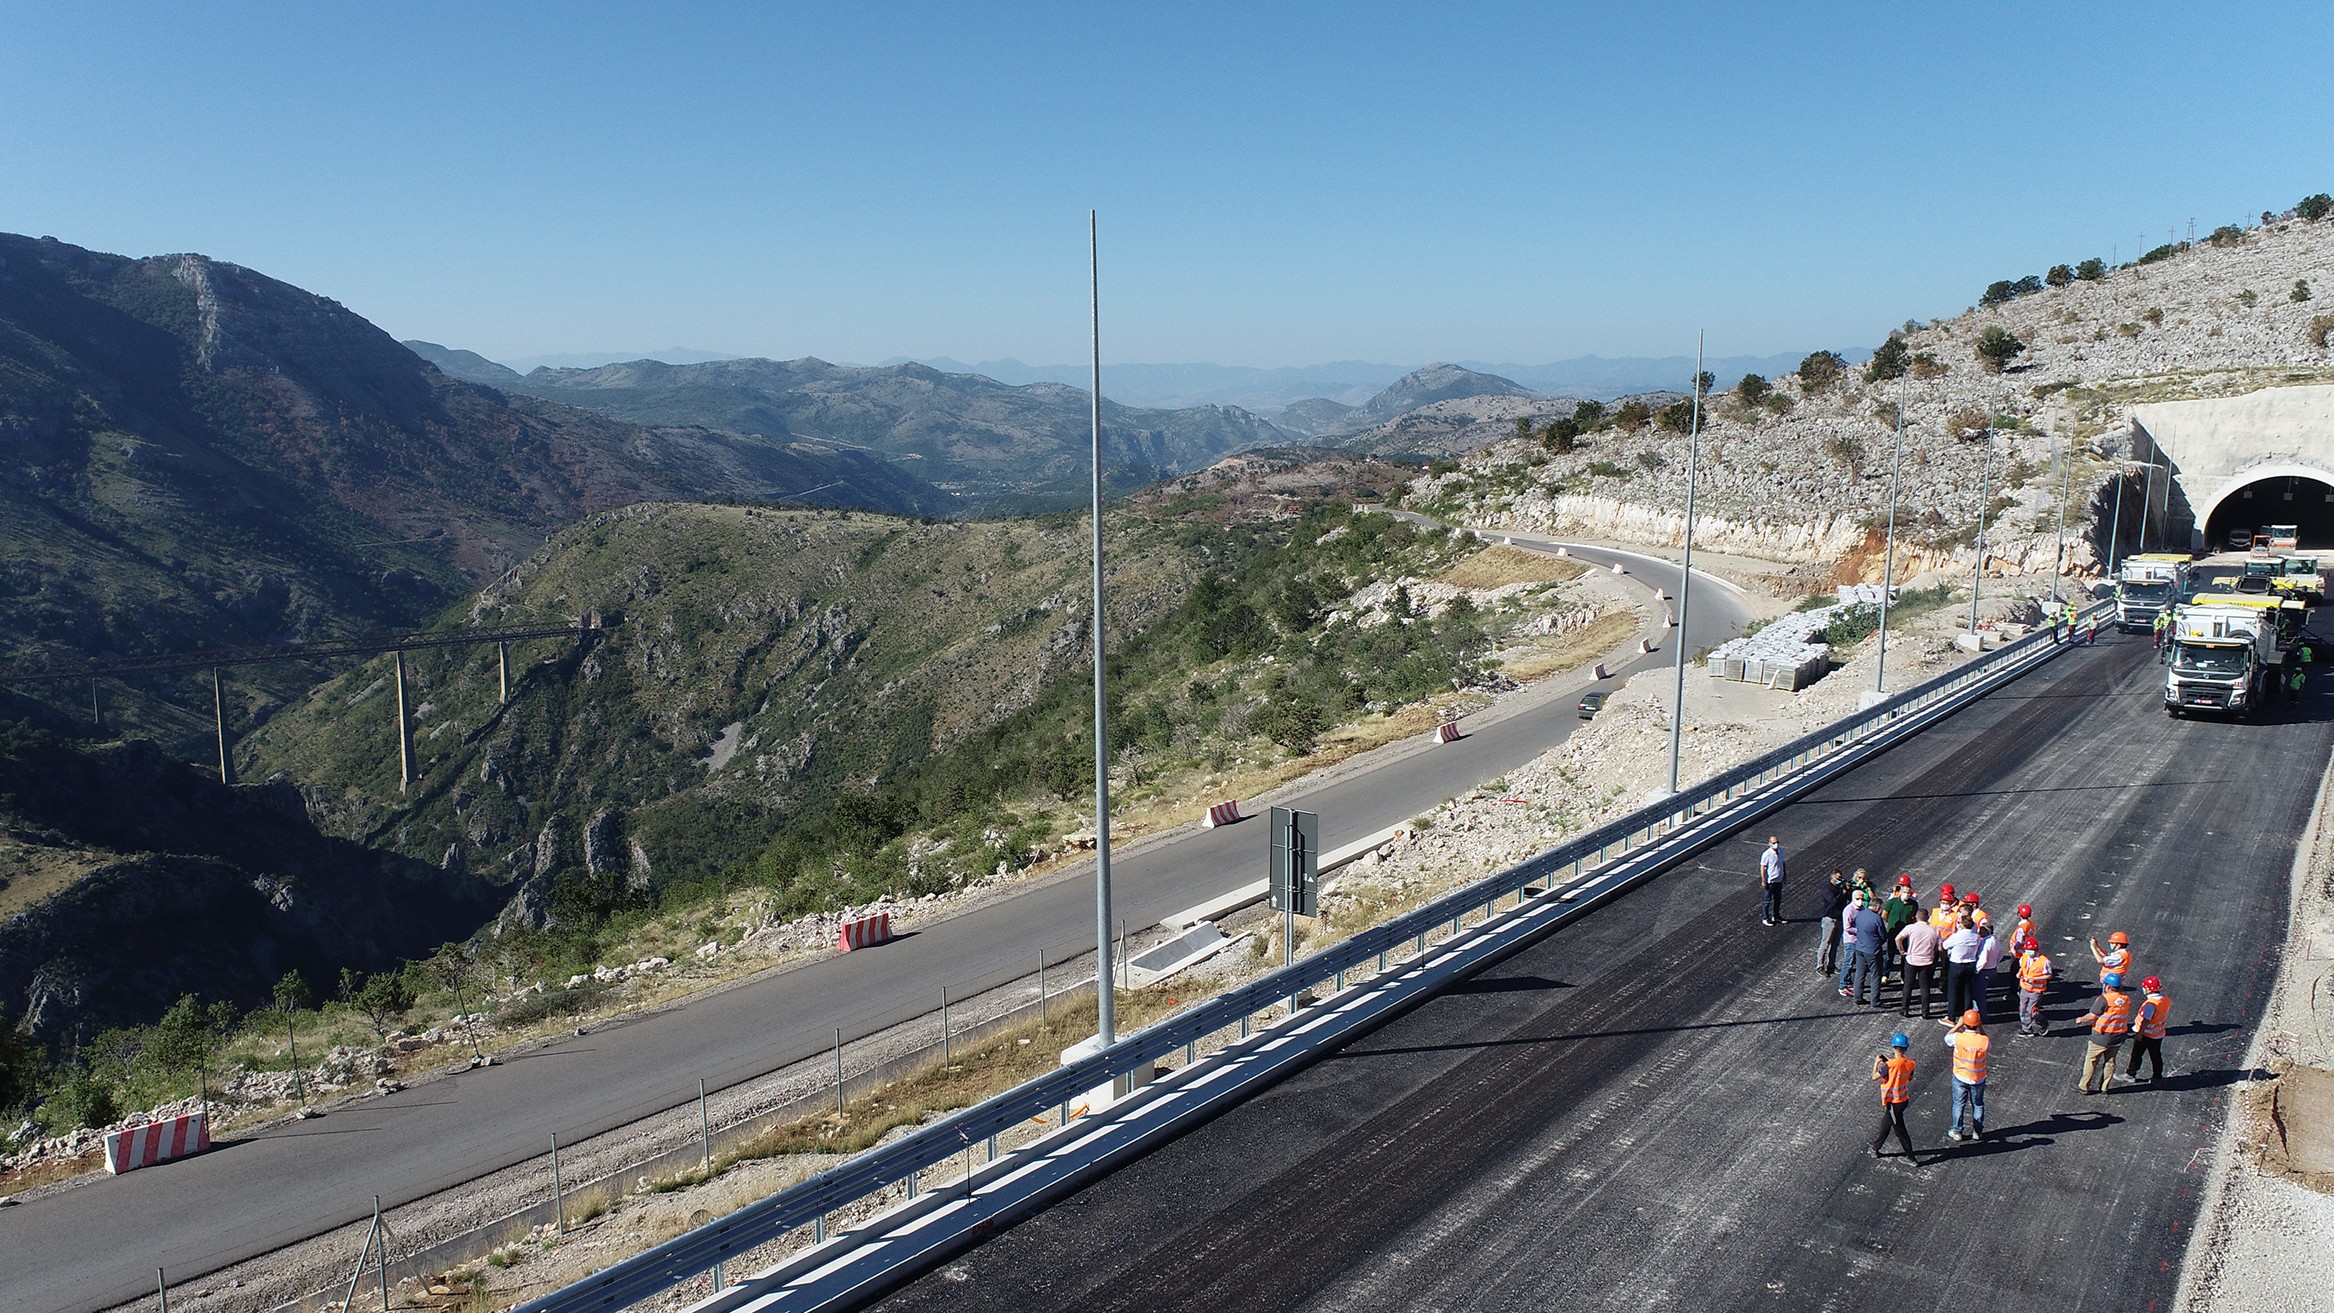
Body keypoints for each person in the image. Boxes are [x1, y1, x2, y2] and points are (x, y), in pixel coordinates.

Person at [2076, 972, 2136, 1095]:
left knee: (2091, 1060)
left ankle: (2084, 1086)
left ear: (2107, 986)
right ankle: (2104, 1087)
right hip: (2118, 1036)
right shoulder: (2126, 999)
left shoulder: (2104, 999)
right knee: (2110, 1061)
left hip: (2102, 1036)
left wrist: (2080, 1019)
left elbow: (2092, 1015)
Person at [1870, 1032, 1919, 1162]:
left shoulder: (1889, 1065)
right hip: (1903, 1099)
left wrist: (1876, 1063)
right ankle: (1875, 1148)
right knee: (1886, 1125)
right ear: (1906, 1048)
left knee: (1899, 1130)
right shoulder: (1911, 1063)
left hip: (1893, 1102)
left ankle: (1911, 1157)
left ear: (1893, 1047)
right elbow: (1909, 1076)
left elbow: (1874, 1077)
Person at [1944, 1010, 1990, 1141]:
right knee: (1978, 1104)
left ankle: (1957, 1130)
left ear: (1965, 1022)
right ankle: (1977, 1132)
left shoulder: (1958, 1037)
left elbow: (1947, 1037)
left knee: (1959, 1104)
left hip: (1960, 1076)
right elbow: (1989, 1045)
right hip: (1978, 1078)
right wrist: (1981, 1027)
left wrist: (1958, 1025)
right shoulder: (1983, 1040)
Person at [1896, 911, 1942, 1020]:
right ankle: (1925, 1012)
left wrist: (1902, 951)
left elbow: (1898, 939)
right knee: (1925, 987)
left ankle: (1905, 1009)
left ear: (1916, 917)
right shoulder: (1934, 930)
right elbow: (1939, 947)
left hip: (1912, 960)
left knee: (1908, 985)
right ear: (1928, 918)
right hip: (1927, 961)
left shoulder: (1910, 928)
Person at [1940, 912, 1983, 1025]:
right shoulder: (1976, 936)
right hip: (1970, 964)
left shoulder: (1958, 936)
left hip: (1956, 964)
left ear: (1962, 925)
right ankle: (1967, 1015)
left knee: (1953, 991)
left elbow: (1945, 945)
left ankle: (1951, 1017)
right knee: (1967, 990)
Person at [2127, 977, 2172, 1082]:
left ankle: (2130, 1074)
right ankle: (2157, 1077)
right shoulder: (2165, 999)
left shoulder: (2150, 1004)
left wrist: (2139, 1033)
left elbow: (2145, 1020)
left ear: (2148, 989)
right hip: (2158, 1034)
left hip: (2146, 1034)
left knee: (2136, 1054)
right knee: (2156, 1056)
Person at [1846, 895, 1888, 1007]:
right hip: (1873, 950)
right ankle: (1875, 1001)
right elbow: (1883, 935)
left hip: (1860, 948)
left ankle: (1857, 997)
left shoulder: (1860, 915)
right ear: (1878, 907)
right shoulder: (1876, 919)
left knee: (1860, 973)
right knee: (1876, 975)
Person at [1881, 876, 1920, 989]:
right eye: (1904, 892)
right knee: (1889, 955)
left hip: (1905, 935)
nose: (1906, 894)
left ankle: (1903, 976)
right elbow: (1884, 915)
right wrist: (1891, 923)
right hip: (1893, 933)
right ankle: (1885, 975)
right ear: (1900, 892)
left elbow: (1914, 918)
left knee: (1904, 956)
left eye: (1908, 893)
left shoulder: (1913, 904)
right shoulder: (1892, 902)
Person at [2016, 939, 2053, 1037]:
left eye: (2031, 950)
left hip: (2036, 991)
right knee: (2022, 1009)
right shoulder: (2024, 957)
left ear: (2036, 950)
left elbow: (2049, 975)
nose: (2029, 952)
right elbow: (2022, 967)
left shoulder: (2044, 961)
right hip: (2024, 988)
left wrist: (2035, 979)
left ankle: (2043, 1024)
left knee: (2032, 1011)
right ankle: (2027, 1030)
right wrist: (2020, 973)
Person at [1818, 870, 1850, 978]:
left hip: (1839, 919)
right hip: (1829, 919)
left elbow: (1848, 899)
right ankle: (1820, 966)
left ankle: (1831, 965)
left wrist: (1847, 891)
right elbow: (1833, 902)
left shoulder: (1841, 889)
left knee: (1835, 945)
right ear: (1832, 878)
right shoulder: (1827, 889)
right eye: (1838, 878)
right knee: (1825, 943)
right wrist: (1843, 893)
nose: (1840, 880)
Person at [1972, 915, 2004, 1025]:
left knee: (1978, 995)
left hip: (1984, 971)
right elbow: (2000, 955)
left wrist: (1976, 970)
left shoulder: (1985, 943)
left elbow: (1983, 958)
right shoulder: (1996, 940)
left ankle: (1981, 1016)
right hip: (1992, 969)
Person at [1758, 836, 1786, 926]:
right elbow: (1762, 867)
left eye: (1777, 842)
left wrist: (1784, 875)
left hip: (1779, 880)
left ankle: (1776, 916)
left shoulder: (1780, 851)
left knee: (1778, 899)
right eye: (1773, 843)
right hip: (1770, 881)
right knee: (1767, 900)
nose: (1776, 844)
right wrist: (1763, 880)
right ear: (1769, 843)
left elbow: (1782, 863)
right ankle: (1765, 918)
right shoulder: (1766, 854)